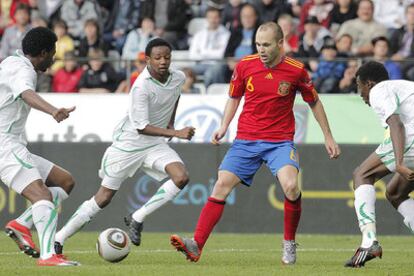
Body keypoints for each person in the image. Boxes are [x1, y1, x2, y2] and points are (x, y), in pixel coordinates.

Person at [170, 21, 340, 265]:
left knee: (291, 186)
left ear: (281, 44)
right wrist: (223, 125)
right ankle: (196, 245)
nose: (261, 49)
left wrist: (328, 136)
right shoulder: (245, 66)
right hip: (246, 140)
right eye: (258, 44)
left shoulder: (296, 70)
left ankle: (289, 243)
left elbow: (314, 102)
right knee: (221, 185)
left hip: (279, 142)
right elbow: (234, 97)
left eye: (267, 44)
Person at [53, 38, 196, 254]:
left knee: (181, 177)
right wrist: (175, 132)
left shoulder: (178, 77)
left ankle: (137, 218)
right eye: (157, 58)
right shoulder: (140, 86)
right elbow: (141, 127)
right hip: (128, 145)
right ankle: (59, 238)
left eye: (167, 57)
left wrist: (171, 122)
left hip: (154, 144)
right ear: (147, 60)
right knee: (103, 198)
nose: (163, 61)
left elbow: (175, 96)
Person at [1, 27, 78, 266]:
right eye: (52, 53)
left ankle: (22, 224)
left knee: (64, 182)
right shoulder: (23, 70)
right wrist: (53, 110)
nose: (54, 59)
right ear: (43, 52)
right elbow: (26, 93)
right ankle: (48, 256)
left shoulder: (11, 62)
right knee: (42, 196)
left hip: (12, 143)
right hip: (4, 145)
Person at [345, 61, 414, 267]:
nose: (361, 94)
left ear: (369, 83)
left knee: (362, 174)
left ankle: (369, 242)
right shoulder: (403, 87)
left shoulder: (379, 89)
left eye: (360, 86)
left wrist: (400, 163)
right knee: (395, 193)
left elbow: (396, 124)